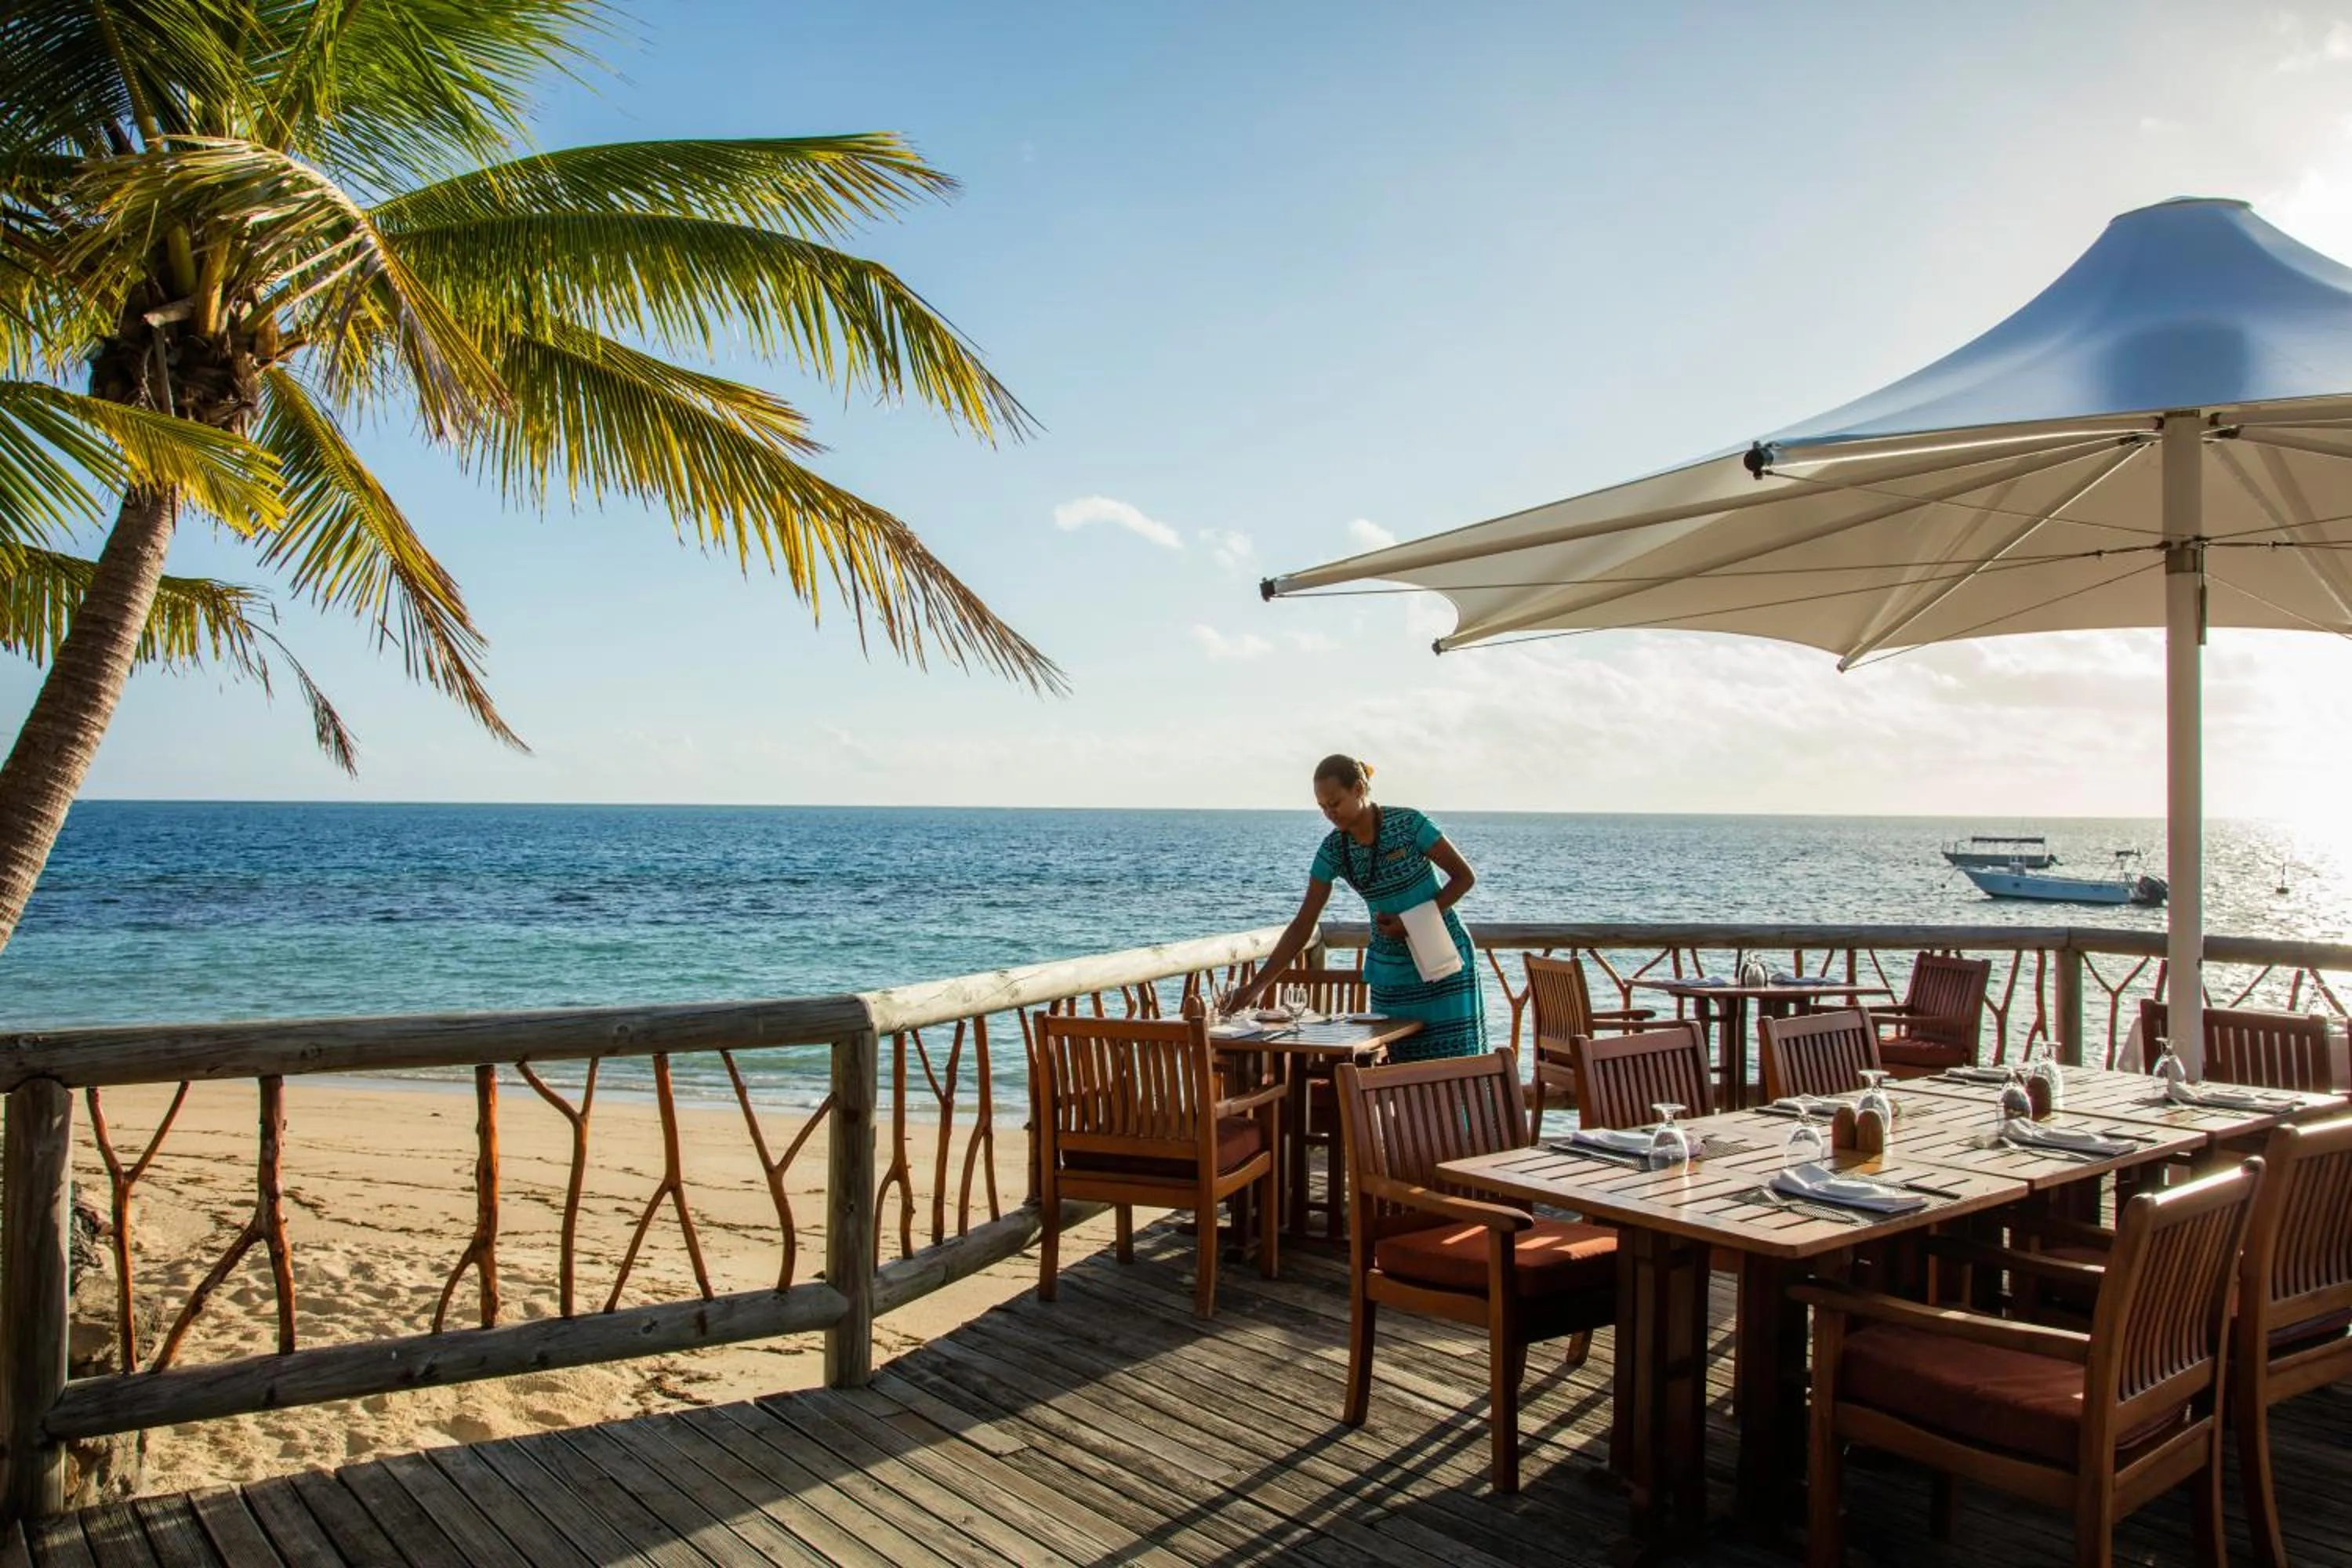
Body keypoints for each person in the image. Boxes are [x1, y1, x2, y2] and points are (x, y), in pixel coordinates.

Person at [1227, 754, 1486, 1062]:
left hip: (1445, 964)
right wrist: (1256, 987)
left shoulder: (1410, 824)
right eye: (1322, 807)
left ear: (1360, 789)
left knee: (1457, 1072)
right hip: (1390, 973)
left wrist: (1414, 921)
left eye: (1334, 803)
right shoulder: (1333, 850)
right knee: (1400, 1078)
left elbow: (1464, 877)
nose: (1329, 813)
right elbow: (1303, 924)